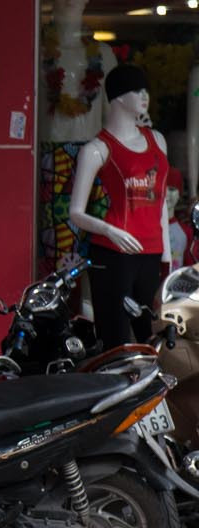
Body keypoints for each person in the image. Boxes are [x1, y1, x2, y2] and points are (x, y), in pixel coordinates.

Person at [70, 63, 173, 348]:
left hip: (151, 253)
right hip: (114, 253)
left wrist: (166, 255)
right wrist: (110, 230)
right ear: (117, 97)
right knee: (114, 335)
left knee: (152, 338)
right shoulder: (98, 149)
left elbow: (160, 200)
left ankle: (151, 392)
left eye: (146, 90)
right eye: (136, 90)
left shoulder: (158, 141)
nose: (144, 96)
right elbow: (75, 213)